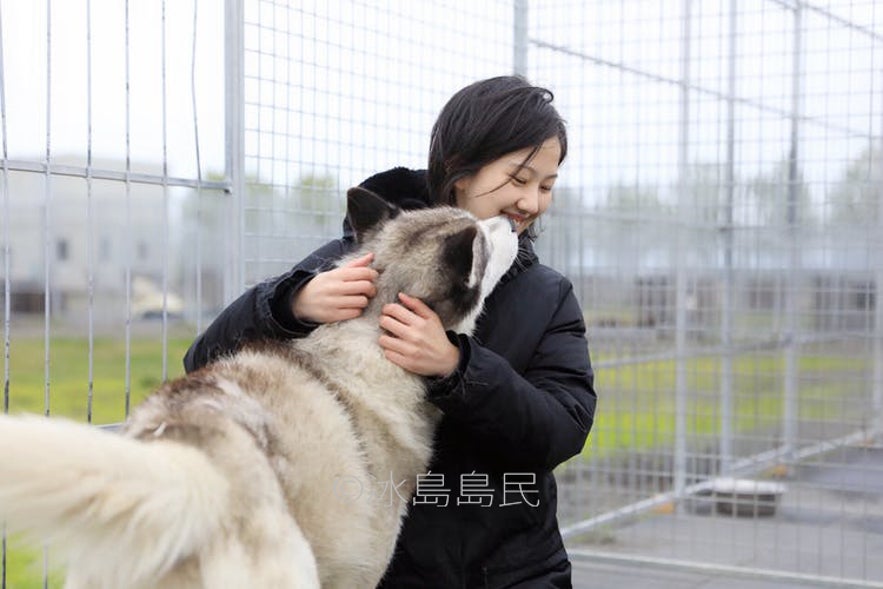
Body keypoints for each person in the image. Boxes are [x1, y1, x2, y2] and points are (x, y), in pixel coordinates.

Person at [184, 75, 596, 588]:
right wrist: (290, 305)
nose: (532, 202)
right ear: (459, 170)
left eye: (547, 185)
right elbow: (203, 361)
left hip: (510, 572)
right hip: (379, 564)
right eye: (519, 178)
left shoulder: (545, 295)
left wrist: (457, 368)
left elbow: (563, 428)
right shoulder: (358, 264)